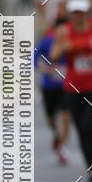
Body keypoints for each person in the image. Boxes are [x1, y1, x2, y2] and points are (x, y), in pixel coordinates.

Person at [50, 0, 92, 182]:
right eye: (74, 12)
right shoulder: (64, 31)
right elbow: (54, 56)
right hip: (73, 87)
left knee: (87, 125)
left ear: (87, 12)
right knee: (81, 131)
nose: (78, 16)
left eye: (81, 12)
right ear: (70, 14)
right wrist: (62, 49)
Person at [34, 16, 70, 164]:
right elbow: (32, 58)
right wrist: (44, 68)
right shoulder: (46, 41)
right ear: (55, 29)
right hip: (49, 86)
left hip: (66, 86)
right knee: (51, 118)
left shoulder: (71, 43)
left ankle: (62, 147)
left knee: (66, 115)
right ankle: (57, 134)